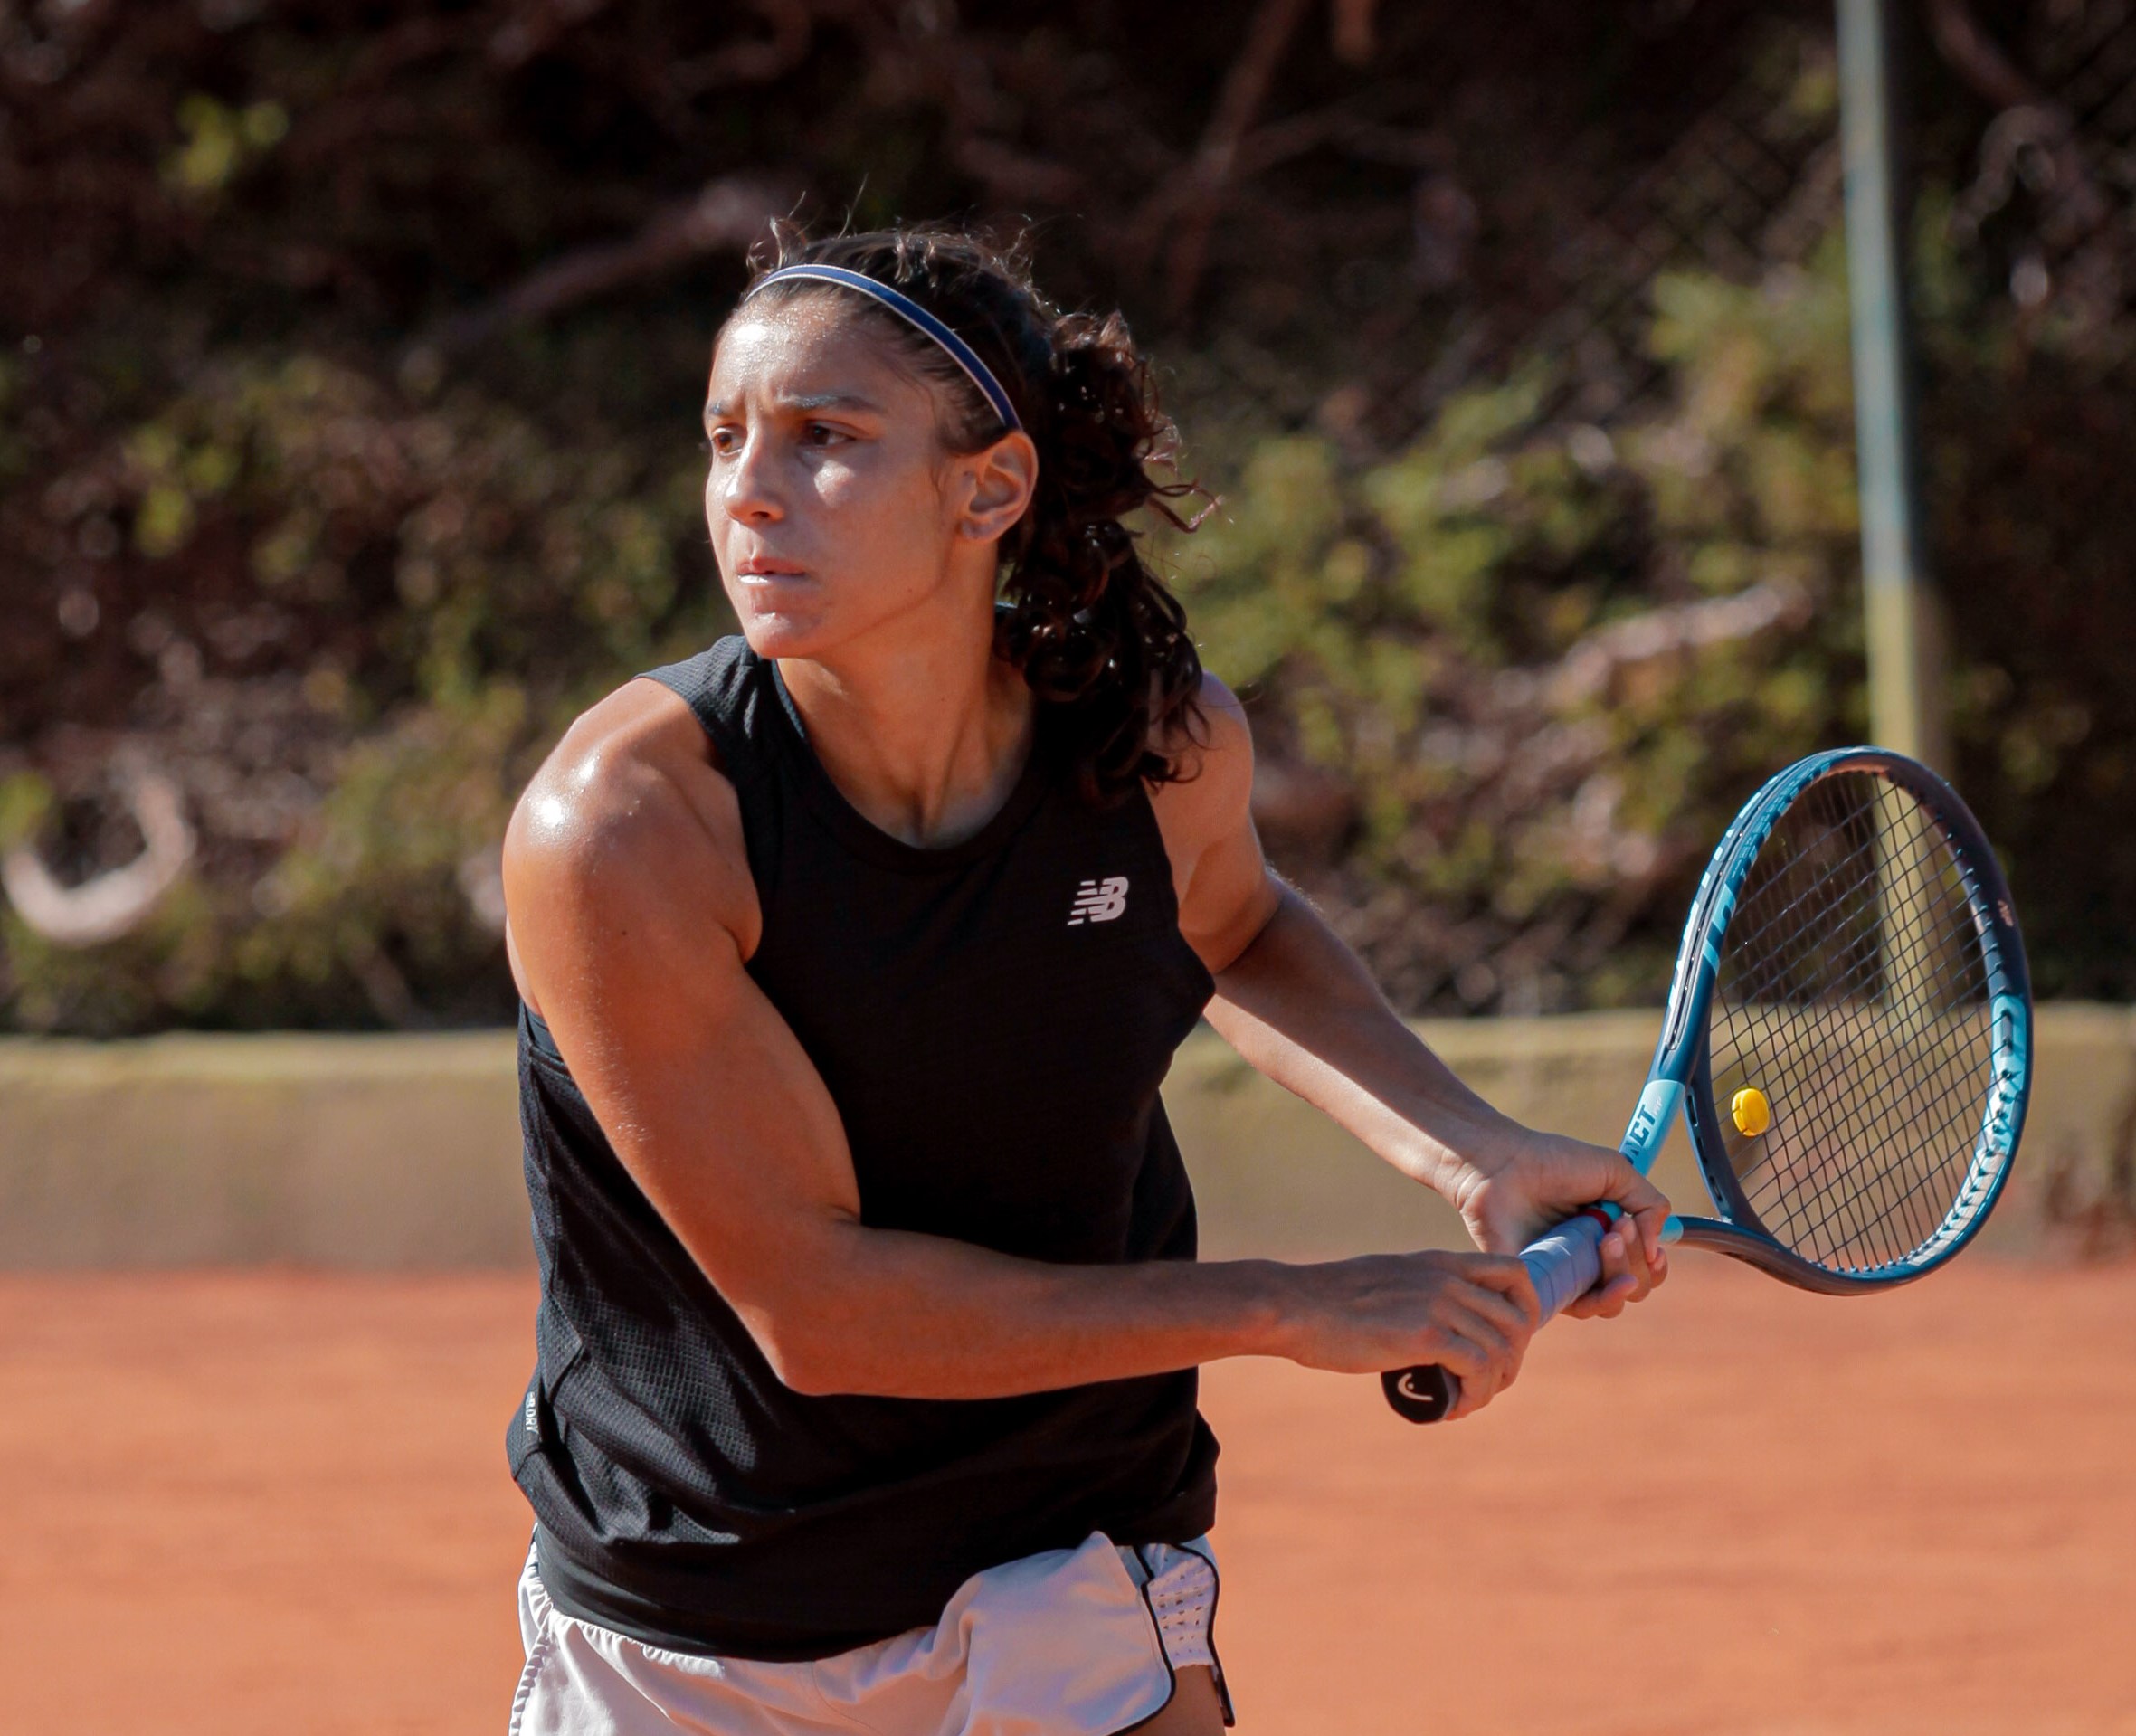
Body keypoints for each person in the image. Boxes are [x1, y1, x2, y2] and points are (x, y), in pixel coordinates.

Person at [499, 223, 1669, 1736]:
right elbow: (822, 1309)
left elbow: (1232, 927)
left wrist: (1478, 1156)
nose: (748, 492)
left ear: (988, 488)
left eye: (825, 439)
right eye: (725, 439)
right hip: (697, 1612)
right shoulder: (626, 830)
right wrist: (1289, 1307)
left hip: (1063, 1554)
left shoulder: (1150, 744)